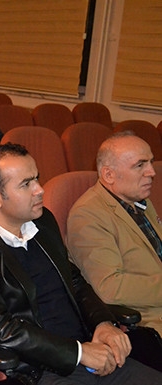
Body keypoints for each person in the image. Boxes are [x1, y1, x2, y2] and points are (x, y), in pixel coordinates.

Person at [0, 142, 162, 385]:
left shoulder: (42, 220)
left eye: (37, 178)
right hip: (40, 370)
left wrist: (103, 323)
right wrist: (79, 353)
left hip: (91, 350)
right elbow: (1, 329)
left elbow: (74, 280)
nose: (40, 189)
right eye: (26, 184)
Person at [67, 132, 162, 333]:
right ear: (109, 175)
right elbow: (109, 287)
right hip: (149, 321)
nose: (152, 172)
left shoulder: (139, 201)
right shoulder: (88, 214)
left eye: (151, 162)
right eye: (140, 165)